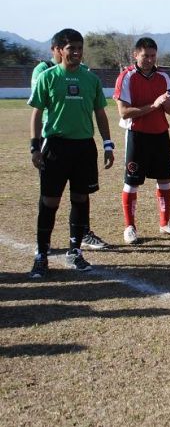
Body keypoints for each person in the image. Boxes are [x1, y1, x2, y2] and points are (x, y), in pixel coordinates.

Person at [28, 28, 115, 278]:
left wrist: (108, 144)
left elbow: (100, 112)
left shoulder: (91, 79)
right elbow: (36, 112)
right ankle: (41, 255)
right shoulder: (48, 77)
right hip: (55, 146)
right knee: (50, 202)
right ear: (60, 50)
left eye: (79, 48)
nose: (76, 53)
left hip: (84, 147)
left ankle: (74, 251)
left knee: (80, 199)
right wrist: (35, 146)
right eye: (71, 48)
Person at [113, 37, 170, 244]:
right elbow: (124, 113)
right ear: (136, 55)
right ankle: (130, 227)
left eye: (153, 56)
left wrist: (166, 102)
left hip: (160, 133)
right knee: (132, 182)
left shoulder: (164, 77)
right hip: (137, 135)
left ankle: (165, 223)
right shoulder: (126, 77)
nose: (150, 60)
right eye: (145, 56)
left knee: (164, 180)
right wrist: (153, 106)